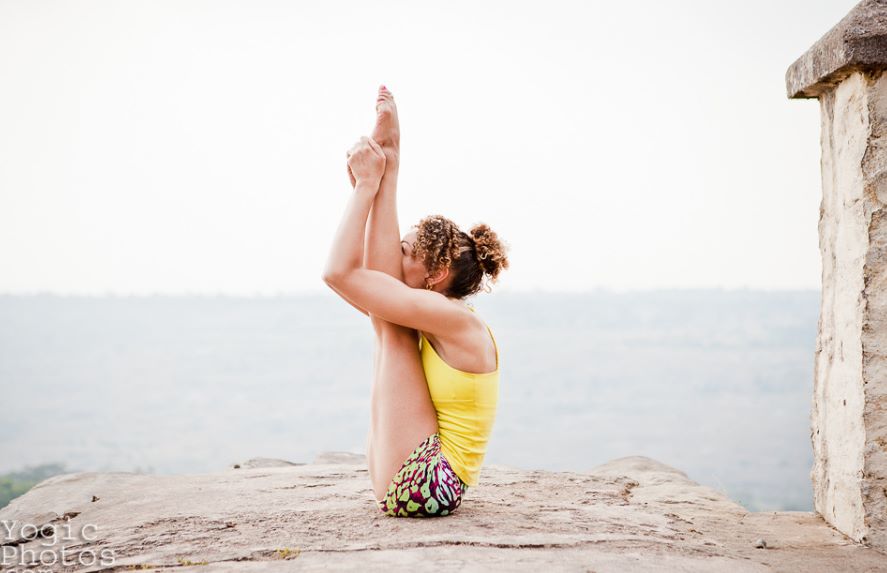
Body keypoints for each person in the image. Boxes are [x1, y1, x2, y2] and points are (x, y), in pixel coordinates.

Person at [321, 86, 509, 517]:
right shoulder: (440, 316)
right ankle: (392, 161)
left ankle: (391, 162)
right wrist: (381, 178)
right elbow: (367, 285)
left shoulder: (450, 318)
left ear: (436, 275)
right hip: (419, 479)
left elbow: (340, 274)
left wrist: (368, 187)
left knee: (389, 325)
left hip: (426, 485)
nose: (393, 255)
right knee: (386, 317)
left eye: (406, 252)